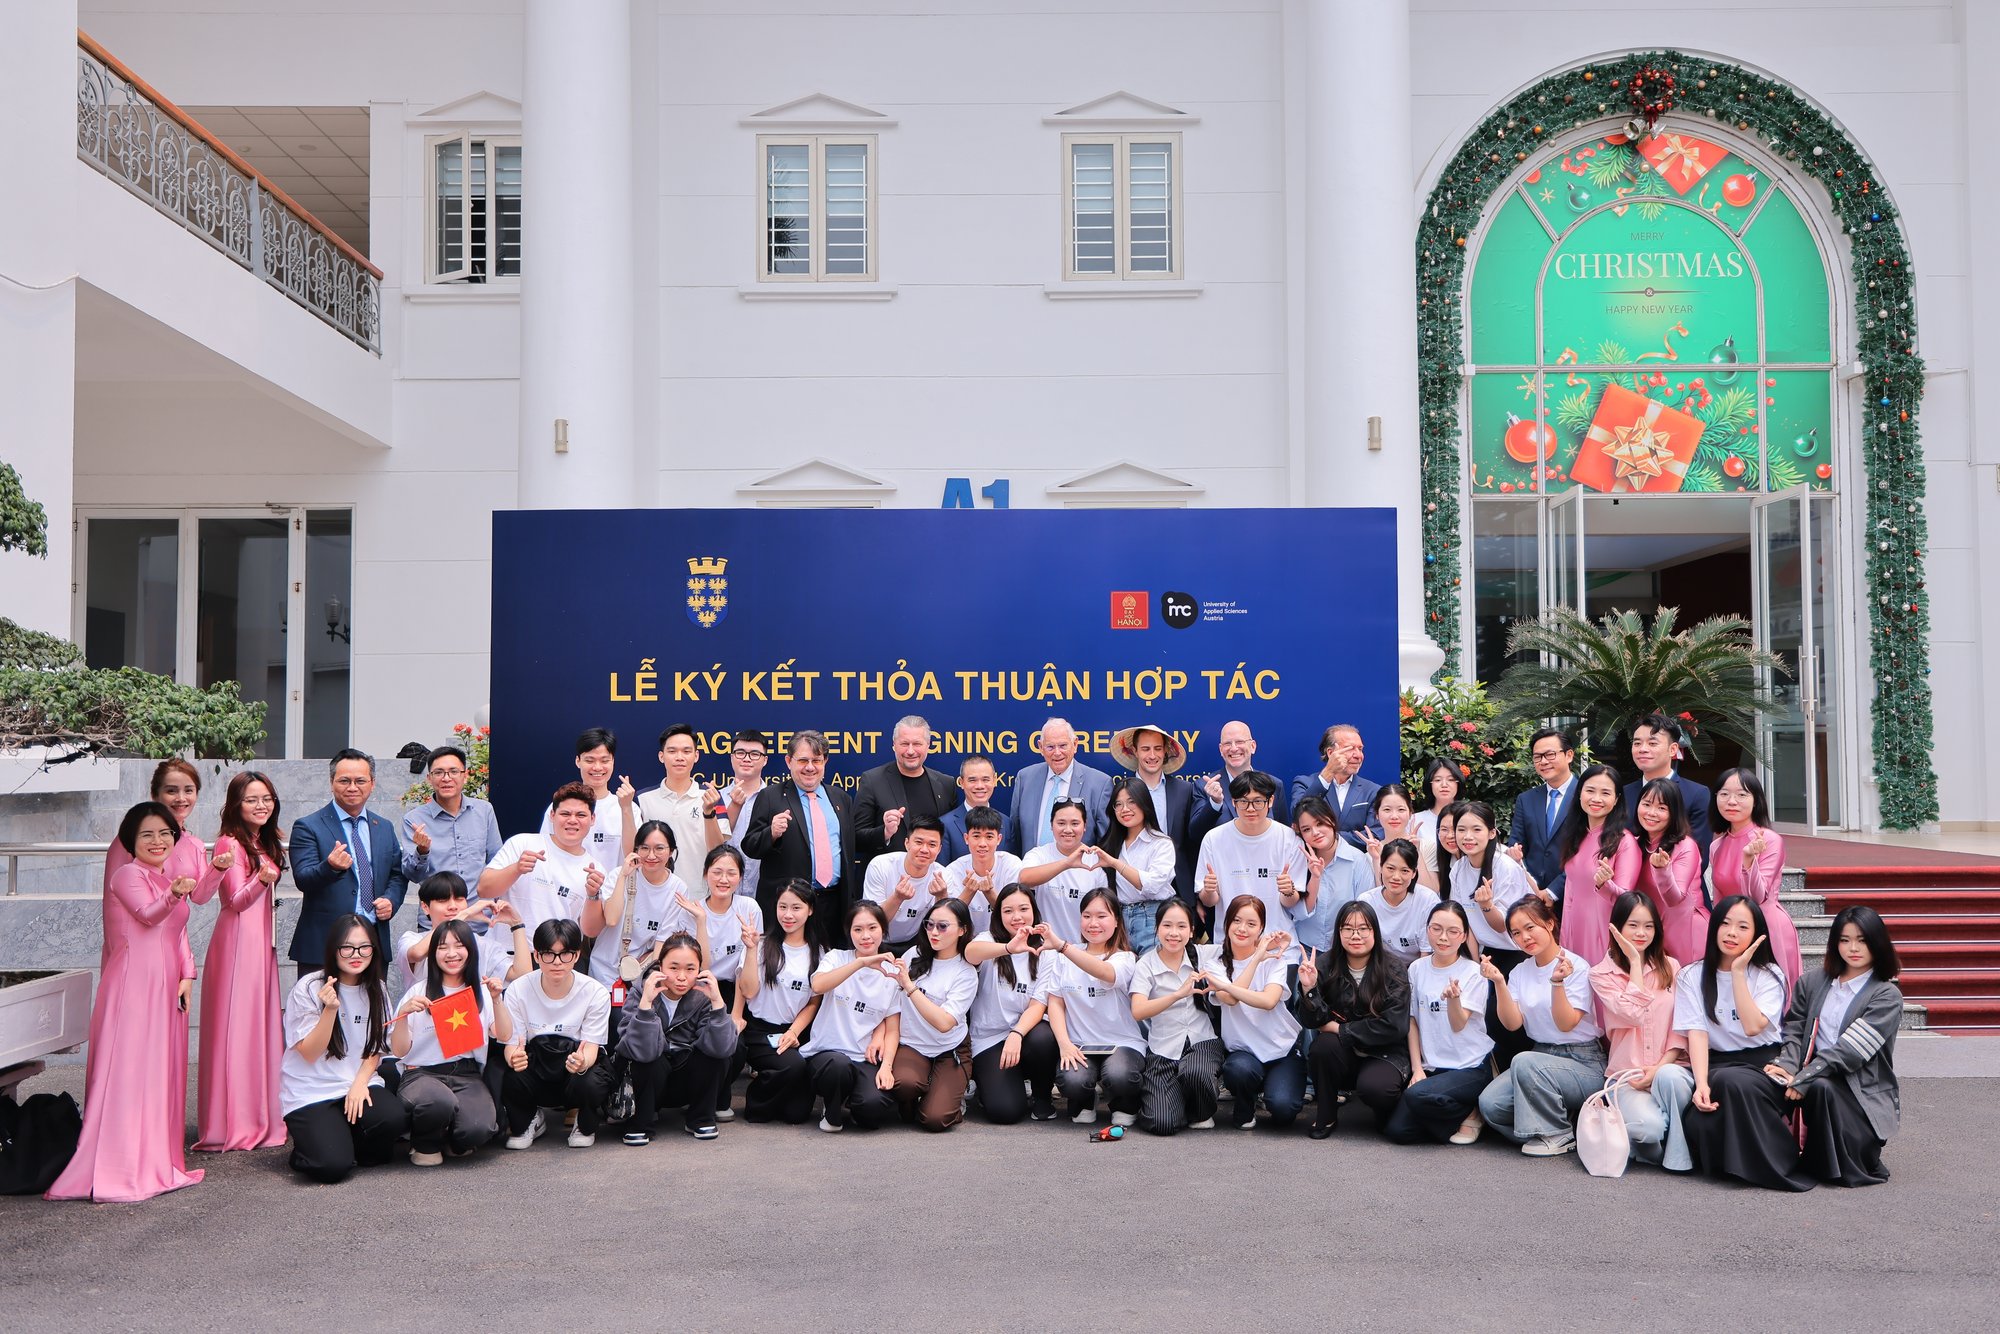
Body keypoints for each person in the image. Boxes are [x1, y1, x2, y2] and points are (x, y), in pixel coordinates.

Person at [47, 803, 207, 1202]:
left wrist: (188, 974)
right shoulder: (127, 875)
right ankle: (122, 1169)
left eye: (165, 833)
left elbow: (178, 932)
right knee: (130, 1072)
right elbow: (150, 915)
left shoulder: (167, 875)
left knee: (155, 1073)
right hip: (134, 986)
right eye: (147, 835)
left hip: (166, 985)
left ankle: (152, 1161)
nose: (158, 841)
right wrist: (172, 894)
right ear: (130, 841)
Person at [1765, 906, 1905, 1188]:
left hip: (1857, 1093)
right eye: (1844, 940)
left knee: (1822, 1087)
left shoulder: (1886, 996)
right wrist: (1786, 1067)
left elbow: (1850, 1051)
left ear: (1878, 943)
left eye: (1862, 940)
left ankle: (1836, 1162)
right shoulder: (1812, 983)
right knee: (1759, 1080)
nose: (1853, 948)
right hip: (1808, 1079)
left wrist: (1805, 1078)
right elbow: (1794, 1030)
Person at [194, 771, 289, 1152]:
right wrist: (262, 881)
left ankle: (258, 1116)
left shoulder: (260, 841)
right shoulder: (229, 841)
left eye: (267, 798)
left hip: (258, 946)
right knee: (238, 1032)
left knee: (257, 1031)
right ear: (236, 804)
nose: (262, 805)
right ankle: (234, 1122)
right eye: (252, 799)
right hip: (235, 947)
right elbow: (233, 902)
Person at [275, 913, 407, 1183]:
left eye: (364, 946)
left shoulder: (377, 989)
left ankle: (342, 1139)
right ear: (333, 949)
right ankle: (309, 1149)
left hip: (356, 1083)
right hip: (313, 1090)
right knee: (331, 1168)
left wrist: (360, 1083)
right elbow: (310, 1052)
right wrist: (330, 1010)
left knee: (392, 1121)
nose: (356, 954)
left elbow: (376, 1047)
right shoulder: (310, 988)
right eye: (347, 947)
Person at [1475, 898, 1606, 1156]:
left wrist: (1557, 983)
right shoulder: (1520, 971)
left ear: (1549, 923)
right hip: (1541, 1056)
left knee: (1523, 1061)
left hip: (1583, 1061)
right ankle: (1558, 1124)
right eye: (1516, 933)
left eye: (1530, 927)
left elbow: (1567, 1024)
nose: (1524, 937)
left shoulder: (1576, 966)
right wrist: (1499, 982)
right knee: (1490, 1105)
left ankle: (1558, 1133)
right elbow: (1512, 1024)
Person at [1679, 896, 1794, 1187]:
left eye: (1743, 926)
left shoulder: (1769, 975)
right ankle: (1740, 1164)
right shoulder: (1691, 976)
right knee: (1709, 1105)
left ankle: (1776, 1163)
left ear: (1756, 934)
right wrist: (1701, 1083)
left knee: (1733, 1083)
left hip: (1764, 1065)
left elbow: (1754, 1026)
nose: (1732, 933)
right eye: (1726, 924)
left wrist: (1738, 972)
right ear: (1714, 927)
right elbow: (1697, 1033)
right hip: (1716, 1064)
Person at [1589, 891, 1694, 1172]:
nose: (1641, 933)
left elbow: (1681, 1025)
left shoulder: (1671, 967)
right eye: (1633, 925)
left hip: (1669, 1071)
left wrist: (1660, 1067)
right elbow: (1632, 1014)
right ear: (1617, 927)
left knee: (1671, 1078)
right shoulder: (1601, 974)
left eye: (1649, 926)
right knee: (1648, 1128)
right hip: (1628, 1077)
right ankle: (1647, 1143)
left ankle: (1676, 1157)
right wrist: (1635, 963)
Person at [390, 920, 511, 1163]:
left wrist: (497, 1000)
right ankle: (424, 1143)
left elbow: (504, 1035)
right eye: (443, 947)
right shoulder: (418, 991)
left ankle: (449, 1137)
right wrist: (403, 1014)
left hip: (466, 1074)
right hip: (421, 1074)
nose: (452, 954)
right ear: (433, 953)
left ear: (471, 951)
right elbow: (399, 1050)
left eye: (459, 946)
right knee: (439, 1102)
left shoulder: (480, 991)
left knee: (479, 1128)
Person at [1297, 900, 1412, 1140]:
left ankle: (1386, 1111)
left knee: (1376, 1090)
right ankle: (1326, 1115)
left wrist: (1341, 1029)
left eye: (1363, 928)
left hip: (1385, 1052)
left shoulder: (1393, 969)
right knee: (1322, 1048)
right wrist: (1309, 990)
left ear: (1375, 932)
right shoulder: (1324, 965)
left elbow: (1395, 1026)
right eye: (1348, 928)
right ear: (1339, 932)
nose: (1355, 935)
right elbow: (1311, 1020)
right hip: (1344, 1053)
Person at [1384, 902, 1494, 1146]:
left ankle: (1471, 1110)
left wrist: (1454, 1000)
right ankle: (1464, 1111)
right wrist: (1417, 1069)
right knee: (1397, 1131)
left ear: (1464, 935)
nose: (1443, 937)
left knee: (1416, 1096)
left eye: (1453, 931)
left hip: (1469, 1066)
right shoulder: (1416, 969)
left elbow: (1458, 1024)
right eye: (1436, 929)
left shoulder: (1473, 972)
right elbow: (1412, 1020)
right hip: (1433, 1066)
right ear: (1427, 930)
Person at [500, 919, 616, 1149]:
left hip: (573, 1067)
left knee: (593, 1080)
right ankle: (529, 1119)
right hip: (536, 1063)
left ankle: (584, 1124)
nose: (556, 962)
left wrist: (582, 1062)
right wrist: (513, 1057)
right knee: (508, 1072)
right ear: (536, 956)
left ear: (576, 955)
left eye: (565, 954)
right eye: (548, 954)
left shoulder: (596, 993)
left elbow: (592, 1048)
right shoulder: (517, 989)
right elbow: (512, 1044)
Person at [290, 748, 409, 969]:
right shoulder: (308, 826)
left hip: (372, 941)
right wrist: (330, 867)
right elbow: (303, 879)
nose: (352, 787)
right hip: (324, 944)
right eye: (344, 780)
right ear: (331, 782)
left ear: (372, 784)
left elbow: (397, 874)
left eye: (360, 781)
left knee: (371, 1004)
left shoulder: (383, 826)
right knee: (322, 1004)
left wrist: (391, 900)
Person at [615, 932, 736, 1143]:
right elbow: (637, 1050)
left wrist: (718, 1003)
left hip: (686, 1082)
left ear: (700, 970)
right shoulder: (641, 991)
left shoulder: (703, 996)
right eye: (673, 968)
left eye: (690, 969)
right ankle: (641, 1122)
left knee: (714, 1053)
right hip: (649, 1081)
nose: (682, 976)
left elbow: (723, 1048)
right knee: (648, 1057)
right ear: (660, 966)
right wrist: (645, 1006)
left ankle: (700, 1118)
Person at [743, 730, 859, 941]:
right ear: (789, 761)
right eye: (803, 760)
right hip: (789, 908)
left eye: (817, 760)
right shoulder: (770, 797)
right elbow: (750, 846)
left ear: (825, 761)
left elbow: (850, 847)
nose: (810, 767)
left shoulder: (841, 798)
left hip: (833, 904)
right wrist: (772, 833)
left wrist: (884, 833)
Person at [1044, 888, 1146, 1126]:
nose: (1093, 923)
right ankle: (1084, 1099)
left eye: (1102, 916)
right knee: (1072, 1079)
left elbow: (1105, 972)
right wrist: (1065, 1044)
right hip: (1081, 1044)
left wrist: (1062, 946)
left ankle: (1123, 1102)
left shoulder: (1125, 958)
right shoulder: (1064, 957)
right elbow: (1056, 1003)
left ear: (1117, 920)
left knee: (1120, 1076)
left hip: (1122, 1044)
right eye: (1087, 916)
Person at [1202, 896, 1304, 1131]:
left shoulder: (1276, 961)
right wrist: (1257, 957)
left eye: (1251, 924)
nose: (1242, 929)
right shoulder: (1215, 964)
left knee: (1283, 1110)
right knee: (1237, 1071)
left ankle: (1273, 1089)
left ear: (1261, 929)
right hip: (1244, 1052)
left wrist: (1226, 985)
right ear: (1226, 923)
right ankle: (1246, 1102)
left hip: (1281, 1050)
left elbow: (1268, 1001)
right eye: (1236, 921)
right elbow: (1230, 999)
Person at [963, 884, 1060, 1125]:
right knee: (1004, 1112)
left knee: (1043, 1038)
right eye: (1008, 911)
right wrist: (1008, 948)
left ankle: (1042, 1097)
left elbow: (1039, 1004)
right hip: (989, 1038)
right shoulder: (988, 939)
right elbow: (970, 953)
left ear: (1034, 911)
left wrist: (1017, 1033)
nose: (1016, 917)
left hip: (1024, 1033)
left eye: (1023, 909)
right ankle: (997, 1085)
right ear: (998, 915)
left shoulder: (1046, 950)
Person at [801, 902, 902, 1132]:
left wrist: (886, 1066)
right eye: (857, 930)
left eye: (872, 928)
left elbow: (893, 1028)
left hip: (864, 1059)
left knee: (872, 1109)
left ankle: (851, 1101)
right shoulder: (837, 958)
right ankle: (832, 1108)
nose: (865, 936)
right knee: (838, 1066)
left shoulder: (893, 973)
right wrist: (861, 962)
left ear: (883, 930)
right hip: (827, 1055)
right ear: (849, 932)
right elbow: (818, 984)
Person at [1128, 899, 1225, 1135]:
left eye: (1182, 926)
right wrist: (1177, 995)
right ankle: (1173, 1102)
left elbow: (1241, 947)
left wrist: (1266, 949)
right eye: (1167, 926)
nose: (1174, 933)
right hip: (1163, 1048)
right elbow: (1138, 1010)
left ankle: (1199, 1110)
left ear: (1192, 930)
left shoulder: (1204, 955)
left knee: (1195, 1073)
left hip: (1201, 1042)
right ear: (1157, 928)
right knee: (1161, 1123)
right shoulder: (1146, 964)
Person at [733, 879, 824, 1124]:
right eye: (782, 907)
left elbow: (814, 1003)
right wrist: (751, 949)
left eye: (796, 908)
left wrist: (794, 1031)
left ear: (810, 910)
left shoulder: (820, 953)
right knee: (792, 1066)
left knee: (797, 1115)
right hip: (760, 1031)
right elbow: (748, 991)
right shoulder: (761, 945)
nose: (788, 915)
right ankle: (757, 1104)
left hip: (796, 1031)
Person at [1194, 771, 1310, 963]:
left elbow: (1290, 902)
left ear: (1270, 801)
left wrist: (1289, 891)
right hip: (1231, 947)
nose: (1250, 809)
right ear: (1233, 802)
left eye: (1258, 801)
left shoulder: (1289, 839)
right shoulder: (1214, 839)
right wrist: (1208, 890)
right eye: (1243, 802)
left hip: (1278, 948)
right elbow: (1209, 901)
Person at [888, 899, 980, 1131]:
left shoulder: (966, 972)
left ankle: (948, 1094)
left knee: (935, 1119)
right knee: (904, 1085)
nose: (934, 932)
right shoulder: (914, 954)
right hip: (912, 1044)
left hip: (950, 1048)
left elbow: (944, 1023)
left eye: (942, 926)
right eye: (930, 925)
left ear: (962, 930)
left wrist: (910, 987)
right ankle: (923, 1090)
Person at [1710, 768, 1804, 985]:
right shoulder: (1717, 845)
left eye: (1741, 795)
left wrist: (1749, 860)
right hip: (1732, 930)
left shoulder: (1769, 840)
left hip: (1766, 927)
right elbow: (1718, 900)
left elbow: (1758, 896)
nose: (1731, 801)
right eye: (1724, 794)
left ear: (1756, 801)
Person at [478, 783, 607, 939]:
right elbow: (484, 889)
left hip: (556, 960)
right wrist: (516, 869)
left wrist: (593, 895)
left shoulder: (595, 870)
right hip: (504, 955)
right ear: (552, 815)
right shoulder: (522, 843)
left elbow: (591, 931)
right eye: (565, 814)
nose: (572, 820)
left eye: (581, 815)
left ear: (592, 819)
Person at [399, 745, 504, 914]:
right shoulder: (414, 819)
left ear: (465, 776)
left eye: (453, 771)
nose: (446, 778)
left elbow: (497, 861)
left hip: (480, 916)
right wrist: (422, 850)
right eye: (439, 772)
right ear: (429, 778)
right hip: (436, 920)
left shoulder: (484, 811)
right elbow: (413, 875)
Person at [1554, 763, 1641, 964]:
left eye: (1605, 793)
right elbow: (1571, 888)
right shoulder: (1575, 835)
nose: (1596, 799)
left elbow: (1627, 899)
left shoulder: (1624, 841)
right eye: (1590, 790)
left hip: (1604, 931)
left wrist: (1605, 884)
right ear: (1579, 793)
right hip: (1572, 928)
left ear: (1617, 799)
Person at [580, 820, 685, 988]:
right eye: (644, 848)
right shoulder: (618, 875)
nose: (651, 856)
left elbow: (661, 945)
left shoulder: (678, 888)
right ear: (636, 850)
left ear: (671, 851)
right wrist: (623, 875)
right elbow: (611, 919)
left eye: (659, 848)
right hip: (603, 974)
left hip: (640, 978)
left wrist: (645, 979)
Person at [1109, 724, 1199, 904]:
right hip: (1129, 889)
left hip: (1179, 888)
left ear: (1165, 751)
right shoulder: (1119, 791)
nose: (1152, 755)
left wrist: (1197, 899)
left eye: (1157, 749)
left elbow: (1192, 842)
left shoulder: (1185, 790)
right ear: (1135, 751)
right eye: (1145, 749)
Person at [539, 727, 638, 883]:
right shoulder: (560, 806)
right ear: (578, 761)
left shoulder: (628, 807)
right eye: (590, 760)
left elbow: (634, 856)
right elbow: (546, 854)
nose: (597, 767)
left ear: (613, 761)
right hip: (567, 895)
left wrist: (626, 808)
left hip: (614, 896)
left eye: (604, 761)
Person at [854, 715, 961, 860]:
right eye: (904, 744)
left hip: (933, 877)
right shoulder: (872, 781)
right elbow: (856, 839)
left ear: (928, 745)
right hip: (889, 879)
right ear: (894, 745)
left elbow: (951, 837)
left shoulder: (946, 784)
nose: (910, 751)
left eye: (917, 744)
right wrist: (885, 832)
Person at [1448, 801, 1535, 976]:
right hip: (1485, 952)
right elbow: (1465, 923)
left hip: (1519, 952)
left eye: (1476, 829)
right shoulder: (1458, 868)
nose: (1468, 836)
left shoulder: (1505, 867)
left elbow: (1504, 926)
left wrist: (1486, 905)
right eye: (1461, 829)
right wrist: (1473, 965)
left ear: (1492, 833)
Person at [1631, 778, 1708, 968]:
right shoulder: (1635, 843)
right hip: (1649, 930)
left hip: (1685, 929)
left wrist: (1662, 871)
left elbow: (1675, 898)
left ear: (1674, 813)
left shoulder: (1685, 846)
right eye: (1646, 804)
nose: (1651, 813)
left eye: (1662, 808)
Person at [1007, 716, 1113, 853]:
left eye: (1063, 745)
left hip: (1078, 872)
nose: (1057, 753)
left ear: (1075, 745)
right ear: (1040, 747)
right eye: (1050, 747)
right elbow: (1015, 835)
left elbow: (1106, 843)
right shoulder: (1025, 778)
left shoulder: (1099, 784)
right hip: (1031, 871)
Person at [1624, 713, 1713, 872]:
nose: (1643, 749)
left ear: (1673, 749)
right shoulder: (1624, 793)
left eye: (1652, 743)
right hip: (1630, 891)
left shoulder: (1697, 794)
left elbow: (1699, 858)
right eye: (1637, 743)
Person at [1096, 775, 1176, 951]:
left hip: (1153, 917)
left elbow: (1152, 885)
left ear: (1144, 803)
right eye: (1118, 804)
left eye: (1131, 802)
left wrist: (1116, 864)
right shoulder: (1109, 845)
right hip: (1119, 920)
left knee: (1153, 975)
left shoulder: (1161, 843)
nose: (1125, 809)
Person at [636, 723, 722, 880]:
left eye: (687, 751)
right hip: (653, 893)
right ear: (661, 756)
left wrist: (709, 812)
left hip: (699, 893)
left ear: (696, 756)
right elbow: (634, 850)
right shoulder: (642, 799)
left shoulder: (712, 797)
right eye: (672, 751)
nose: (679, 757)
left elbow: (718, 851)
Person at [1291, 795, 1372, 960]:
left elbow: (1365, 911)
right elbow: (1299, 912)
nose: (1315, 833)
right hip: (1304, 950)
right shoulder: (1298, 859)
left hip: (1345, 952)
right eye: (1306, 829)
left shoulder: (1356, 860)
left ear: (1332, 820)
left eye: (1320, 823)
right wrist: (1314, 877)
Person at [860, 815, 953, 955]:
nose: (924, 850)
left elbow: (943, 928)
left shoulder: (943, 875)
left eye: (932, 845)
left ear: (939, 849)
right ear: (907, 843)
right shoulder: (880, 865)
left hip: (916, 943)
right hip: (875, 942)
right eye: (919, 842)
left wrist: (942, 897)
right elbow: (871, 921)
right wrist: (897, 897)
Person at [1018, 799, 1104, 944]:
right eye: (1061, 823)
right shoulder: (1039, 854)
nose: (1068, 830)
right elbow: (1024, 879)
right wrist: (1067, 863)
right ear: (1051, 825)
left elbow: (1104, 911)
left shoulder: (1097, 861)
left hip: (1083, 950)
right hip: (1045, 948)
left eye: (1075, 824)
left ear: (1085, 826)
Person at [1506, 728, 1576, 902]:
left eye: (1550, 755)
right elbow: (1516, 844)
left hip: (1573, 894)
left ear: (1569, 755)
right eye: (1537, 757)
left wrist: (1552, 892)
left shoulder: (1585, 795)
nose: (1543, 761)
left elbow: (1586, 852)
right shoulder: (1526, 799)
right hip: (1532, 896)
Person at [1189, 719, 1288, 840]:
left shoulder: (1274, 785)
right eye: (1227, 743)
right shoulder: (1204, 786)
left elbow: (1284, 834)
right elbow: (1195, 835)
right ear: (1221, 749)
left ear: (1253, 746)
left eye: (1239, 742)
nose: (1234, 748)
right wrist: (1214, 803)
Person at [1289, 724, 1379, 848]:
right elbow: (1297, 816)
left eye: (1360, 749)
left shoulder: (1372, 791)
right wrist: (1328, 774)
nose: (1358, 755)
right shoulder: (1304, 783)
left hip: (1357, 862)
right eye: (1350, 749)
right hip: (1313, 862)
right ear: (1331, 753)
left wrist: (1329, 839)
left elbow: (1374, 834)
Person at [1359, 839, 1440, 968]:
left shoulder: (1428, 900)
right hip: (1378, 969)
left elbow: (1427, 953)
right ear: (1381, 867)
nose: (1396, 877)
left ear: (1414, 873)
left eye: (1405, 871)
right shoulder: (1366, 901)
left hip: (1416, 968)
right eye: (1390, 868)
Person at [941, 805, 1021, 936]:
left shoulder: (1011, 864)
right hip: (965, 942)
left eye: (989, 837)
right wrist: (968, 892)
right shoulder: (953, 870)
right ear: (966, 838)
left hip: (1004, 939)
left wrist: (990, 893)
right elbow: (947, 920)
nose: (982, 843)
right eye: (976, 836)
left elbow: (1016, 916)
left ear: (999, 839)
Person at [715, 728, 771, 904]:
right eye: (740, 753)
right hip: (722, 895)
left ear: (765, 760)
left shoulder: (776, 800)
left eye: (755, 754)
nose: (746, 758)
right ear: (732, 757)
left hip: (766, 896)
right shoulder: (716, 799)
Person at [939, 755, 1014, 863]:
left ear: (994, 781)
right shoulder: (945, 824)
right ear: (961, 782)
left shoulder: (1006, 823)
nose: (980, 786)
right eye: (972, 780)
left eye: (985, 779)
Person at [1365, 783, 1437, 892]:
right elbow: (1379, 897)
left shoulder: (1427, 847)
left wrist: (1416, 851)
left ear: (1410, 813)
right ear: (1377, 814)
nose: (1394, 816)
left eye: (1401, 810)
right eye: (1387, 810)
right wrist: (1377, 859)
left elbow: (1432, 891)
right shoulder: (1370, 854)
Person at [1408, 756, 1464, 847]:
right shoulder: (1415, 821)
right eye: (1438, 780)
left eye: (1450, 780)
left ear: (1458, 783)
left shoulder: (1469, 817)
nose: (1444, 785)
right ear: (1430, 785)